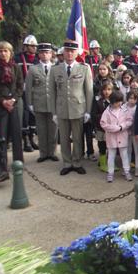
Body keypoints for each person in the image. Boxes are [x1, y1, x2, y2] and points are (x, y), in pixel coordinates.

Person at [49, 41, 93, 176]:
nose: (69, 53)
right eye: (67, 50)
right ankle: (67, 163)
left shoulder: (84, 68)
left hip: (78, 108)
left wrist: (88, 111)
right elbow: (52, 92)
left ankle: (77, 162)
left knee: (78, 138)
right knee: (64, 138)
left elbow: (89, 91)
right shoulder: (55, 69)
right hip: (62, 109)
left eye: (72, 51)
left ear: (76, 53)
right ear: (63, 52)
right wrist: (54, 112)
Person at [0, 41, 24, 175]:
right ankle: (2, 165)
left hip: (15, 104)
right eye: (0, 51)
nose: (3, 53)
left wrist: (13, 99)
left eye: (5, 51)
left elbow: (20, 86)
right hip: (0, 106)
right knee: (2, 136)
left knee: (17, 134)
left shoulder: (16, 67)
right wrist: (3, 101)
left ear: (11, 53)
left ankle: (18, 162)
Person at [25, 43, 58, 162]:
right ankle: (43, 154)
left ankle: (52, 152)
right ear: (39, 54)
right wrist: (29, 104)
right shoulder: (33, 69)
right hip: (39, 103)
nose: (45, 54)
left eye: (47, 52)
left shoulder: (56, 68)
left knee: (53, 130)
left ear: (51, 54)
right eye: (42, 52)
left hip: (53, 104)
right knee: (41, 130)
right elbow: (28, 87)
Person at [100, 90, 134, 182]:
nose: (118, 104)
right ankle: (110, 173)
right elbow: (103, 124)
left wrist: (121, 127)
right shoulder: (107, 112)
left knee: (124, 155)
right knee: (111, 155)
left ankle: (127, 171)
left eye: (120, 101)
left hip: (122, 136)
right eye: (116, 102)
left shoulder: (125, 110)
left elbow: (130, 121)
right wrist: (114, 128)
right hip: (111, 137)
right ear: (112, 102)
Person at [15, 35, 39, 152]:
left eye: (35, 46)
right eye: (32, 46)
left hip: (35, 91)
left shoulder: (37, 59)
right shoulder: (18, 58)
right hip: (22, 91)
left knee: (33, 115)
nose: (34, 48)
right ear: (26, 46)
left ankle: (32, 138)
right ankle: (25, 140)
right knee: (24, 115)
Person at [92, 81, 113, 172]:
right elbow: (94, 114)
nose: (106, 92)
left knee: (111, 146)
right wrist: (104, 118)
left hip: (111, 128)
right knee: (102, 145)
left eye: (109, 89)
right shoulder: (97, 100)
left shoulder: (114, 101)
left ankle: (110, 163)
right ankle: (103, 163)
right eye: (104, 89)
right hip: (100, 128)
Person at [125, 89, 138, 177]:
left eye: (134, 99)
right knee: (127, 150)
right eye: (130, 98)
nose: (132, 100)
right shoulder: (123, 107)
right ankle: (127, 169)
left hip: (135, 133)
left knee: (137, 150)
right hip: (126, 132)